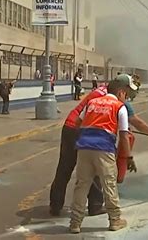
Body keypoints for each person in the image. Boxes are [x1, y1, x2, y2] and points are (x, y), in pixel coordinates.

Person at [69, 78, 135, 233]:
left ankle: (75, 223)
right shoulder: (120, 107)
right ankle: (115, 220)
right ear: (120, 92)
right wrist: (129, 157)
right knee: (109, 185)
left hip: (84, 148)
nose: (126, 98)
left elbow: (78, 122)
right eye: (126, 95)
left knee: (81, 185)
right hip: (104, 149)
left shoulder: (92, 102)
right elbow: (124, 136)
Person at [49, 84, 108, 217]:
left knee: (64, 168)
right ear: (121, 90)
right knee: (93, 166)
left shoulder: (100, 90)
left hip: (70, 126)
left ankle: (55, 205)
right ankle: (95, 206)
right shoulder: (107, 98)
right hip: (80, 128)